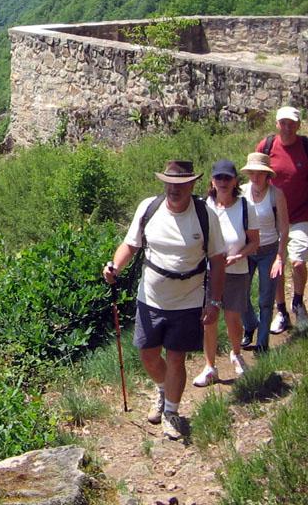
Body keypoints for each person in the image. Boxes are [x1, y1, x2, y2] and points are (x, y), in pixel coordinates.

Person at [102, 160, 225, 440]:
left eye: (181, 184)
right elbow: (131, 244)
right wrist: (115, 267)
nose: (174, 188)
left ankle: (171, 411)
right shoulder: (149, 208)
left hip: (189, 300)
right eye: (170, 183)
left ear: (192, 185)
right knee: (147, 355)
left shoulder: (206, 215)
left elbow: (218, 261)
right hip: (151, 298)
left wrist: (214, 302)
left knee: (176, 358)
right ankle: (162, 388)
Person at [257, 106, 308, 332]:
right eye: (283, 123)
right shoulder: (266, 147)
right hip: (273, 218)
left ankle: (298, 303)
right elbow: (255, 179)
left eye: (292, 123)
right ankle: (281, 311)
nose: (287, 128)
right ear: (277, 124)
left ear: (298, 125)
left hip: (301, 215)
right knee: (276, 266)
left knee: (298, 262)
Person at [192, 160, 260, 387]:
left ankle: (236, 354)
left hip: (237, 271)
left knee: (233, 316)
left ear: (235, 182)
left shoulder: (245, 207)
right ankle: (210, 367)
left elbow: (254, 242)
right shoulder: (204, 207)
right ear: (212, 181)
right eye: (218, 178)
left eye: (227, 178)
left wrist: (239, 257)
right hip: (209, 272)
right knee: (209, 320)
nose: (222, 182)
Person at [238, 152, 289, 352]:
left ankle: (262, 342)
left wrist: (280, 257)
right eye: (252, 173)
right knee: (241, 294)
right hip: (248, 248)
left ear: (267, 175)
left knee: (266, 298)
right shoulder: (241, 193)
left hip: (269, 249)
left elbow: (284, 227)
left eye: (259, 173)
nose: (255, 177)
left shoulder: (276, 195)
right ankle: (250, 325)